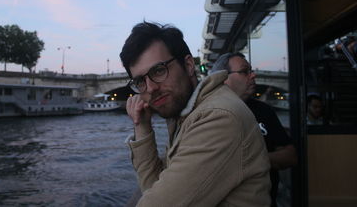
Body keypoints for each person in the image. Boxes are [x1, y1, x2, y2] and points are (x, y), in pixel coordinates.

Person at [120, 22, 271, 207]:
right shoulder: (185, 115)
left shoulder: (218, 118)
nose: (150, 88)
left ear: (189, 65)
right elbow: (153, 188)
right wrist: (142, 126)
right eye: (140, 81)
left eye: (159, 70)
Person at [210, 52, 297, 207]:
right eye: (245, 71)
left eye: (251, 71)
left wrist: (250, 160)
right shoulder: (209, 114)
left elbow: (290, 156)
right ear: (223, 78)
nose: (253, 75)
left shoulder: (264, 111)